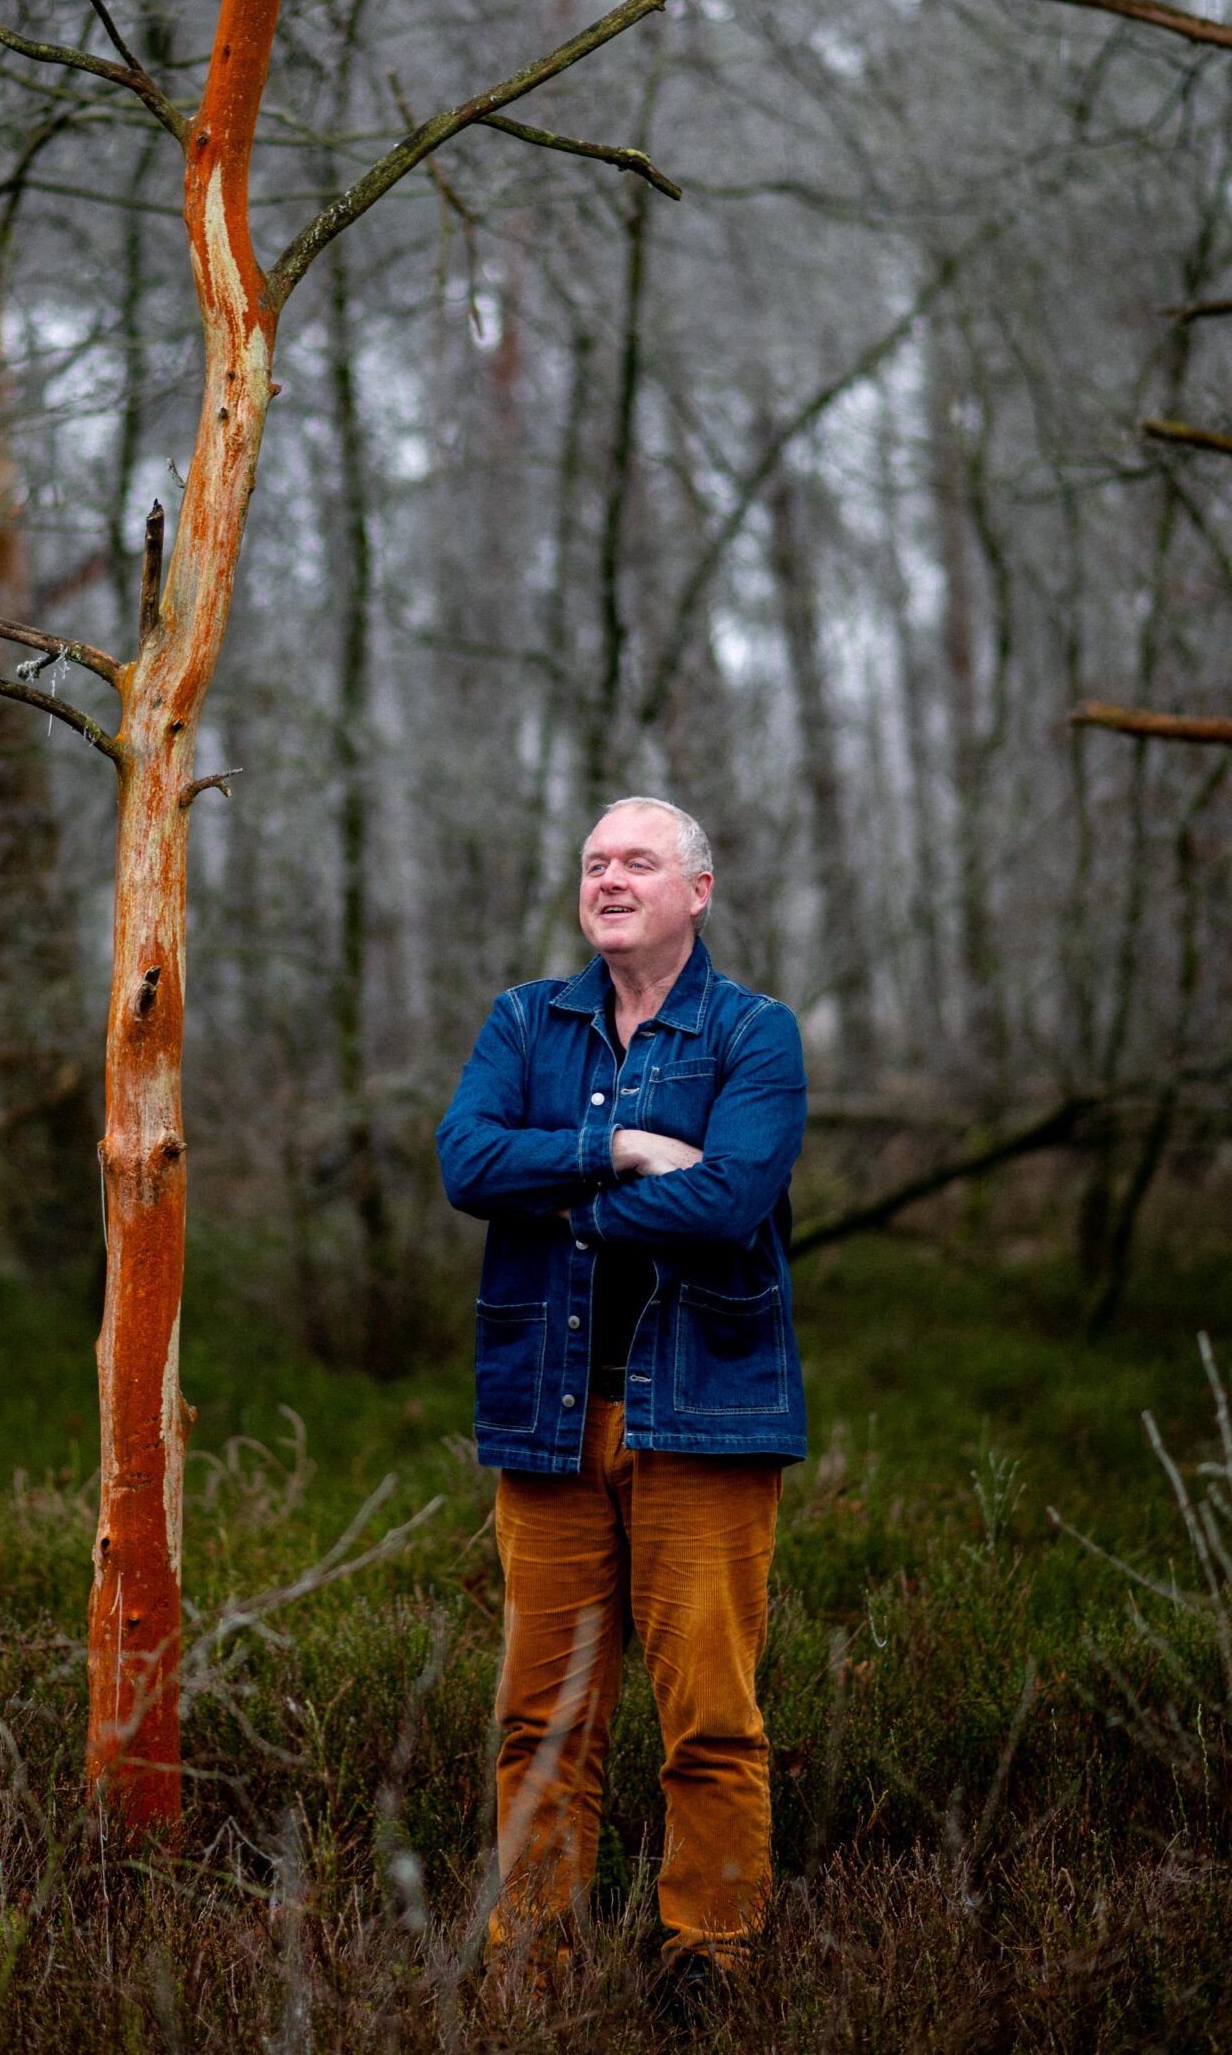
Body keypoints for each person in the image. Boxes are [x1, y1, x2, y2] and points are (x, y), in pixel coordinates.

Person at [436, 795, 808, 1984]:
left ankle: (710, 1957)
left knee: (709, 1718)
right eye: (594, 861)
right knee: (538, 1720)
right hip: (546, 1418)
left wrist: (562, 1204)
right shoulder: (524, 1020)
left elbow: (730, 1200)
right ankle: (532, 1962)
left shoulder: (753, 1032)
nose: (607, 878)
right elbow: (464, 1160)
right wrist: (620, 1150)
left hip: (703, 1414)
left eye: (636, 862)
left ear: (695, 891)